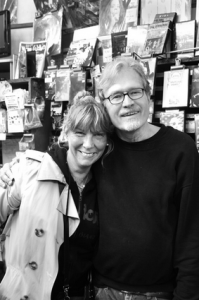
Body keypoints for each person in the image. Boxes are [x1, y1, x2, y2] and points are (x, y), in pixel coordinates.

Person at [2, 57, 199, 300]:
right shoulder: (101, 146)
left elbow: (192, 239)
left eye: (135, 92)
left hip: (159, 292)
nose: (127, 103)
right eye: (116, 96)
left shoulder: (180, 150)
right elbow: (64, 156)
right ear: (105, 103)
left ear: (149, 95)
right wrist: (18, 169)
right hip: (100, 290)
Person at [0, 93, 113, 300]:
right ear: (66, 133)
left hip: (77, 295)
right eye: (80, 132)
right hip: (26, 293)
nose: (89, 144)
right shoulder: (31, 170)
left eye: (98, 135)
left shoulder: (105, 185)